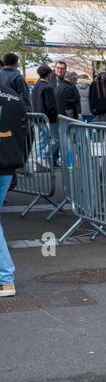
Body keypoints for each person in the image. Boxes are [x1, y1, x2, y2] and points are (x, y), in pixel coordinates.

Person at [0, 53, 32, 297]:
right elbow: (24, 131)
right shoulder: (13, 97)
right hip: (7, 164)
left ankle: (5, 276)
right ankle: (5, 277)